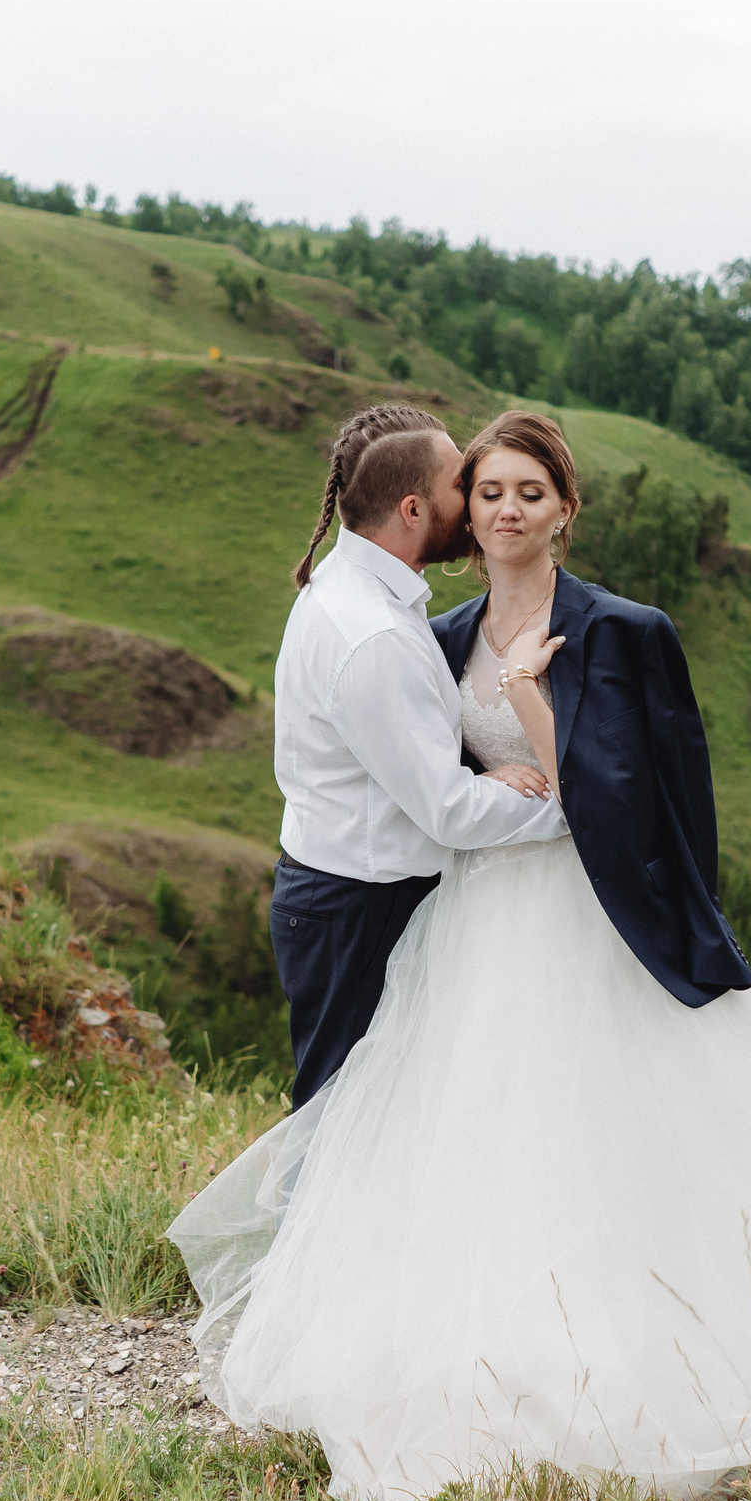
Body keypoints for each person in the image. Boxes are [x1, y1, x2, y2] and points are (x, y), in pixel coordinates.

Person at [171, 410, 751, 1501]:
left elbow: (643, 801)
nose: (509, 508)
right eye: (490, 492)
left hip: (599, 921)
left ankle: (662, 1352)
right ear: (457, 513)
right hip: (475, 923)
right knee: (475, 1141)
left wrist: (531, 698)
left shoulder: (624, 629)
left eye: (532, 491)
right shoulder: (439, 635)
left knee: (625, 1133)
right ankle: (478, 1354)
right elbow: (441, 794)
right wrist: (508, 731)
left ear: (567, 509)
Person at [263, 403, 568, 1112]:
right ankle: (314, 1229)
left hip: (340, 893)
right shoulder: (374, 635)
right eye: (463, 485)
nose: (477, 504)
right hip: (359, 909)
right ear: (412, 508)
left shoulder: (358, 593)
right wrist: (568, 805)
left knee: (370, 1118)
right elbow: (447, 812)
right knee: (345, 1120)